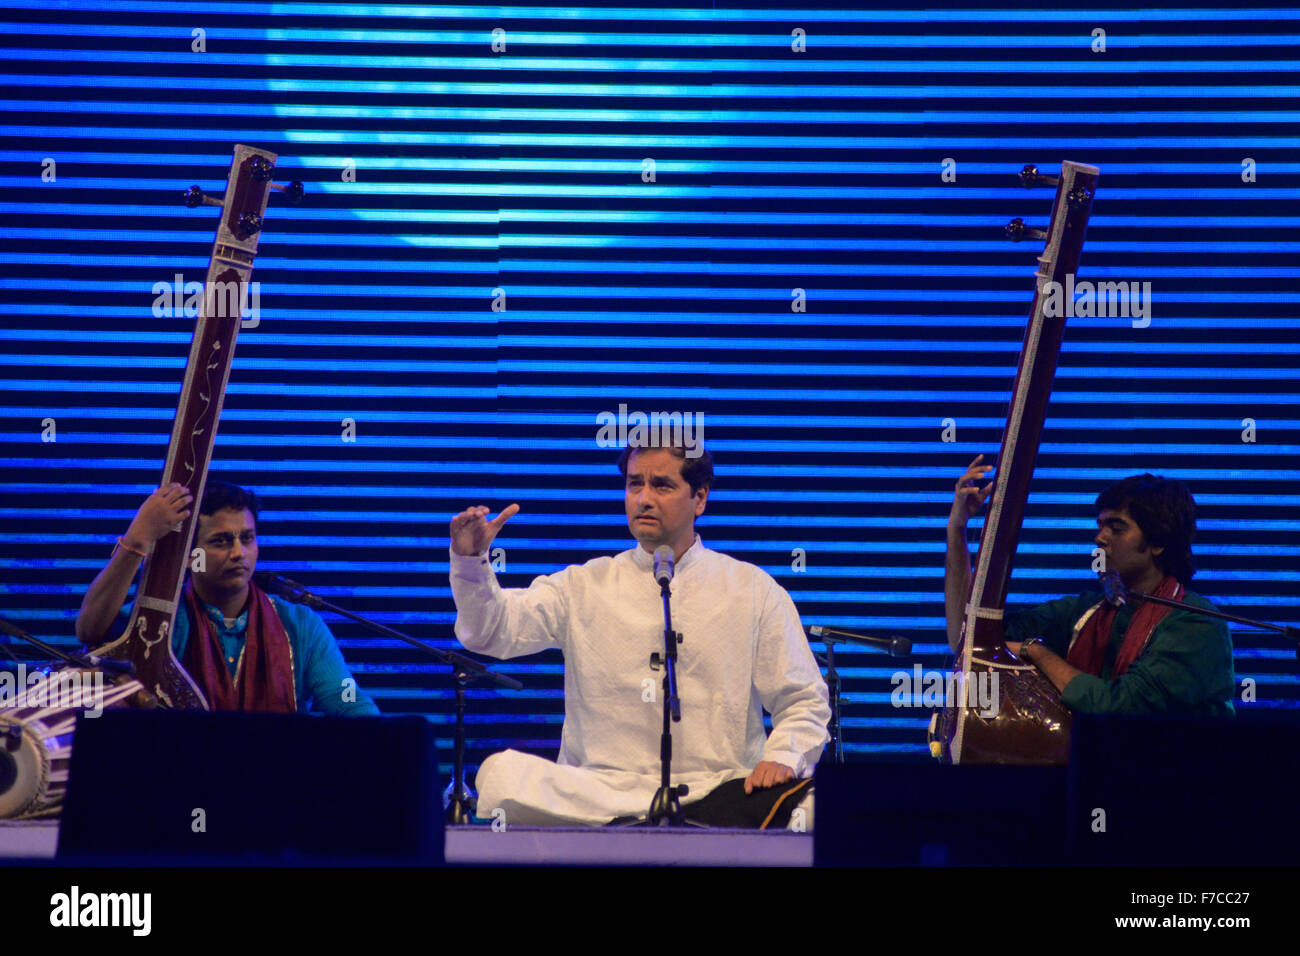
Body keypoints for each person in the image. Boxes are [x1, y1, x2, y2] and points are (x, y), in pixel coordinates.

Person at [449, 443, 831, 827]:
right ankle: (634, 825)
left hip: (719, 791)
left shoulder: (752, 589)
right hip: (598, 794)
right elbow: (491, 632)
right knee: (501, 775)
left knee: (820, 805)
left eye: (661, 485)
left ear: (700, 499)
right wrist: (470, 564)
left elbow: (804, 699)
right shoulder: (584, 584)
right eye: (635, 484)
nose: (643, 499)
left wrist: (782, 755)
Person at [944, 456, 1234, 716]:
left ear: (1158, 542)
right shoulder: (1084, 612)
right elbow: (967, 639)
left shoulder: (1196, 624)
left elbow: (1121, 708)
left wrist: (1037, 652)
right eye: (1100, 527)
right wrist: (958, 529)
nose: (1100, 538)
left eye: (1116, 528)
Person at [77, 480, 379, 716]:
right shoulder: (161, 620)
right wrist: (138, 538)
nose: (239, 553)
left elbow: (346, 700)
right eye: (221, 541)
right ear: (189, 557)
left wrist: (391, 742)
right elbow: (90, 629)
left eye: (247, 538)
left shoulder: (300, 624)